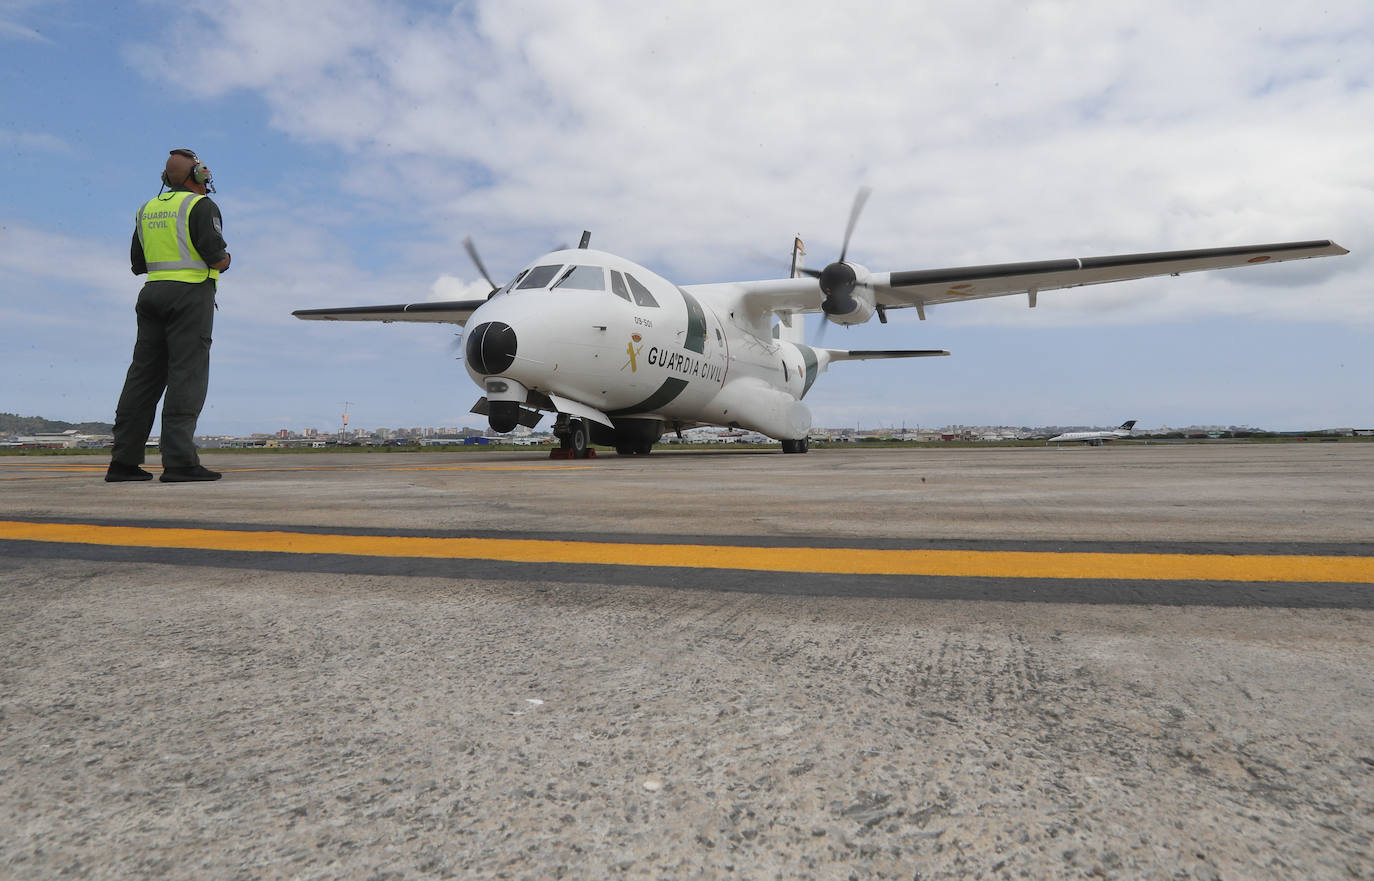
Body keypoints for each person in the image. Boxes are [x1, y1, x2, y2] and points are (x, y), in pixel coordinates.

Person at [106, 148, 231, 483]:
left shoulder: (146, 209)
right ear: (199, 175)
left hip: (151, 294)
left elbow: (138, 263)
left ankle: (123, 463)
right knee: (186, 376)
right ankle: (179, 462)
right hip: (189, 295)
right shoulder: (200, 205)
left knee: (143, 377)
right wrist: (226, 260)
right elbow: (215, 256)